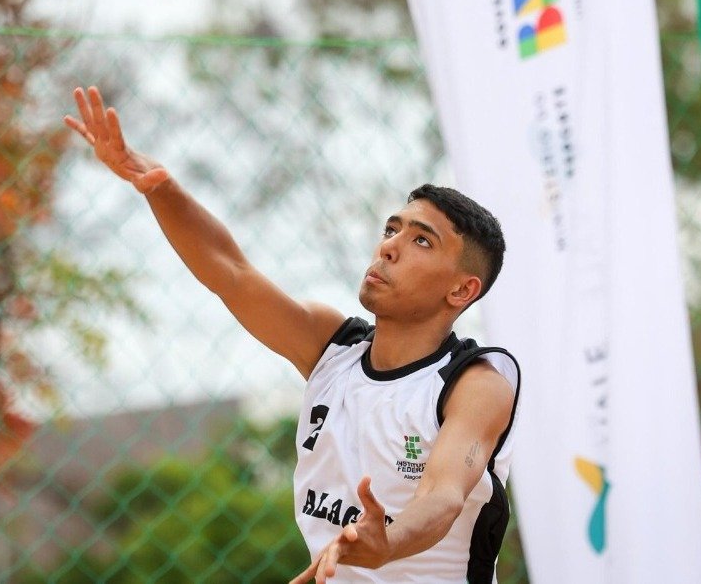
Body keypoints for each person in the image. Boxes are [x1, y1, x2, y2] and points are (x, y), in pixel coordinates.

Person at [64, 86, 520, 584]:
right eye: (393, 228)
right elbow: (230, 272)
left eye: (421, 240)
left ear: (462, 290)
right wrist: (157, 187)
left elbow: (443, 496)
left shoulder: (475, 384)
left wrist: (388, 542)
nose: (389, 247)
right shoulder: (334, 349)